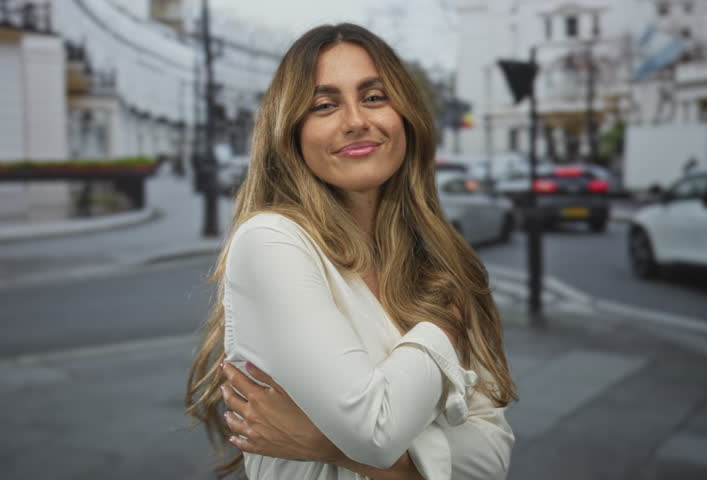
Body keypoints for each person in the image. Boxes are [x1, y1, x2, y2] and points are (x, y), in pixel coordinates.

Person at [186, 23, 517, 479]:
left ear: (405, 115)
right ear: (291, 133)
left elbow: (491, 460)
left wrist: (330, 448)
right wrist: (443, 323)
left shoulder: (438, 260)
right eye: (324, 105)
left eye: (374, 97)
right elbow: (376, 431)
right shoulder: (272, 242)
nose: (356, 120)